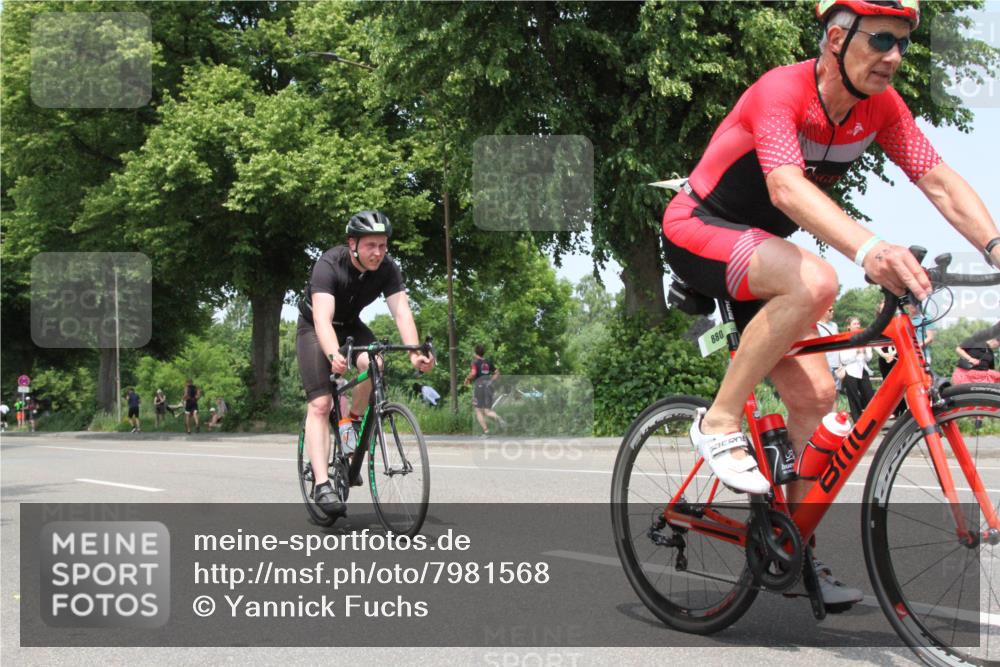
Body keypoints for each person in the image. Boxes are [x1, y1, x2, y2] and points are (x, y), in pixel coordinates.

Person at [660, 0, 1000, 606]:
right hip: (698, 227)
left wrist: (996, 246)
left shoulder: (881, 108)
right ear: (837, 40)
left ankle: (791, 550)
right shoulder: (781, 91)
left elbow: (940, 182)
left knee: (817, 397)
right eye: (881, 40)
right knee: (818, 279)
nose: (894, 56)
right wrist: (870, 249)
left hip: (764, 255)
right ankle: (718, 421)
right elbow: (785, 187)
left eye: (902, 43)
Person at [297, 210, 435, 517]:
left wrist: (415, 353)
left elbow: (402, 312)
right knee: (321, 404)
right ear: (353, 244)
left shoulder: (388, 268)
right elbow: (322, 319)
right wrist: (332, 354)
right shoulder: (329, 264)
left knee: (376, 364)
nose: (378, 252)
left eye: (383, 245)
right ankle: (322, 484)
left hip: (350, 325)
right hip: (314, 328)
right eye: (371, 245)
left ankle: (353, 421)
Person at [839, 317, 877, 420]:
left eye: (858, 324)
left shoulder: (864, 338)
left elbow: (868, 358)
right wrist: (856, 352)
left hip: (862, 369)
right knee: (853, 397)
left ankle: (872, 417)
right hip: (850, 371)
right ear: (848, 326)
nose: (857, 326)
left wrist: (865, 352)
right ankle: (857, 420)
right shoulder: (845, 339)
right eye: (854, 324)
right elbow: (844, 359)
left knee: (869, 394)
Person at [464, 344, 505, 436]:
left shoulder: (475, 362)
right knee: (487, 411)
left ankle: (486, 431)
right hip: (488, 387)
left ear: (475, 353)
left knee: (478, 410)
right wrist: (490, 381)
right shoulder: (488, 362)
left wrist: (467, 379)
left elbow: (473, 373)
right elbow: (497, 373)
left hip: (479, 387)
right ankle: (499, 419)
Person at [815, 306, 841, 388]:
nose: (832, 311)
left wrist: (841, 363)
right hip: (825, 364)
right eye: (830, 310)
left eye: (832, 310)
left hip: (836, 364)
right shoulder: (816, 326)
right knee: (826, 389)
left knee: (836, 390)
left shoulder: (834, 325)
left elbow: (839, 344)